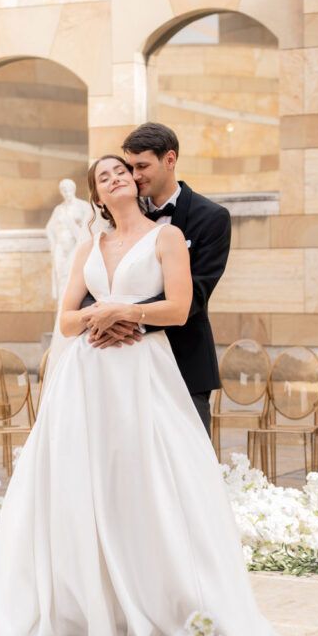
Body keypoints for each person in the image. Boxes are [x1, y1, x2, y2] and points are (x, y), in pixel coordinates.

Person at [0, 155, 277, 636]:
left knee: (145, 480)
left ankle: (156, 597)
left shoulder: (167, 238)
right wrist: (98, 313)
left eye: (121, 172)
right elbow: (66, 321)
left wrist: (124, 312)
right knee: (83, 482)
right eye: (103, 177)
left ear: (135, 183)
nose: (114, 179)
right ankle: (85, 604)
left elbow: (179, 309)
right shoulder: (87, 246)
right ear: (96, 196)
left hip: (144, 373)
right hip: (88, 376)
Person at [81, 123, 230, 436]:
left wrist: (125, 318)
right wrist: (101, 314)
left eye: (142, 166)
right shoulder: (119, 211)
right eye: (129, 167)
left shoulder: (211, 217)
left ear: (170, 160)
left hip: (184, 360)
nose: (133, 176)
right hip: (121, 361)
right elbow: (96, 276)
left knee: (187, 463)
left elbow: (197, 294)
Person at [45, 179, 94, 301]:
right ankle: (61, 312)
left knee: (73, 279)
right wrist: (53, 244)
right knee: (62, 279)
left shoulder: (83, 206)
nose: (67, 192)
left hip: (76, 248)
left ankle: (71, 308)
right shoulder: (59, 209)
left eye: (69, 188)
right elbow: (49, 228)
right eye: (64, 189)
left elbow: (87, 229)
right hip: (61, 248)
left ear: (74, 189)